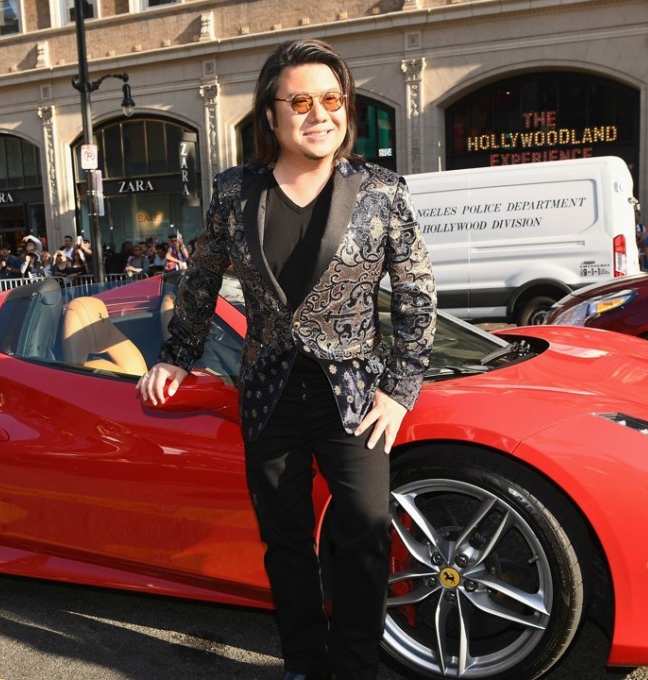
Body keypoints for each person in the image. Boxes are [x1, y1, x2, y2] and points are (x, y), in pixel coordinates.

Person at [139, 39, 436, 680]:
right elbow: (202, 280)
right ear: (271, 116)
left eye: (332, 99)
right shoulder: (234, 192)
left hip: (355, 397)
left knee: (362, 535)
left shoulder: (382, 191)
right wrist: (177, 356)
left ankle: (355, 667)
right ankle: (304, 662)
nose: (319, 114)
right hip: (269, 392)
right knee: (287, 543)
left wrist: (400, 387)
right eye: (300, 101)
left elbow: (417, 296)